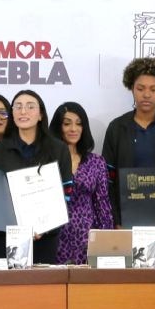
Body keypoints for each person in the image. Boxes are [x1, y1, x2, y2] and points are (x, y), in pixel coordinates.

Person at [101, 57, 155, 249]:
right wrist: (115, 222)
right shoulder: (117, 128)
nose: (146, 95)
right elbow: (107, 181)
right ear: (131, 88)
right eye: (140, 89)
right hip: (125, 229)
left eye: (153, 89)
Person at [0, 90, 73, 264]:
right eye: (17, 106)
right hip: (5, 237)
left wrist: (43, 227)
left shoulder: (58, 149)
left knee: (41, 289)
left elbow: (66, 193)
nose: (23, 111)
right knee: (5, 290)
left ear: (40, 114)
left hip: (44, 238)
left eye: (30, 106)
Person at [50, 101, 113, 264]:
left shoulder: (96, 162)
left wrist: (107, 244)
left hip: (87, 239)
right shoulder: (46, 159)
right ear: (58, 127)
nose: (73, 129)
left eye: (79, 124)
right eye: (67, 123)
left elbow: (102, 205)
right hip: (53, 238)